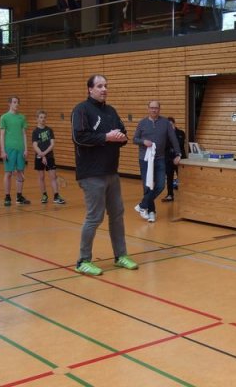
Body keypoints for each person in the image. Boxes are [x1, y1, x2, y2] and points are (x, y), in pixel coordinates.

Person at [71, 74, 138, 276]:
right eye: (99, 86)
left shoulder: (111, 111)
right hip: (91, 174)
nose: (104, 89)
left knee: (117, 215)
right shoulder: (81, 110)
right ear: (90, 89)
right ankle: (83, 260)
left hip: (111, 172)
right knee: (94, 217)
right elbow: (79, 137)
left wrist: (120, 137)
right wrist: (106, 137)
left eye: (106, 86)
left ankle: (120, 255)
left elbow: (123, 134)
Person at [133, 101, 182, 222]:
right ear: (148, 109)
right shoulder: (142, 123)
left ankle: (142, 205)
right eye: (152, 108)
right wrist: (143, 142)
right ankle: (151, 212)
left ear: (159, 109)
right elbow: (135, 139)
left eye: (156, 108)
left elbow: (173, 138)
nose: (154, 110)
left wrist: (178, 153)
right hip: (145, 159)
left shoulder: (165, 123)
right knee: (148, 186)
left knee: (160, 185)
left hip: (160, 158)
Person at [0, 96, 31, 206]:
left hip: (20, 148)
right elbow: (2, 135)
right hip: (9, 148)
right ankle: (7, 197)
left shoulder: (22, 117)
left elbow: (24, 134)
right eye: (14, 102)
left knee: (20, 172)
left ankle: (19, 196)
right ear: (9, 103)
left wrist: (26, 149)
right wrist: (3, 150)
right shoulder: (4, 117)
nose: (17, 104)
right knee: (8, 173)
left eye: (18, 102)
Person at [32, 109, 65, 205]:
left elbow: (52, 144)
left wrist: (45, 154)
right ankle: (44, 195)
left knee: (53, 176)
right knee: (41, 177)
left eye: (44, 117)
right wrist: (42, 156)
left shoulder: (49, 130)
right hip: (39, 157)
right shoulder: (35, 132)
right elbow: (35, 145)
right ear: (37, 119)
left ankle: (56, 196)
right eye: (41, 117)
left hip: (49, 156)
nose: (43, 119)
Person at [163, 117, 186, 202]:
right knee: (169, 177)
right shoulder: (165, 135)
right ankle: (170, 195)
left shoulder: (181, 133)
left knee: (182, 177)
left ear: (174, 124)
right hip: (169, 159)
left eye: (171, 125)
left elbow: (179, 144)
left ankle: (185, 195)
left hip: (179, 159)